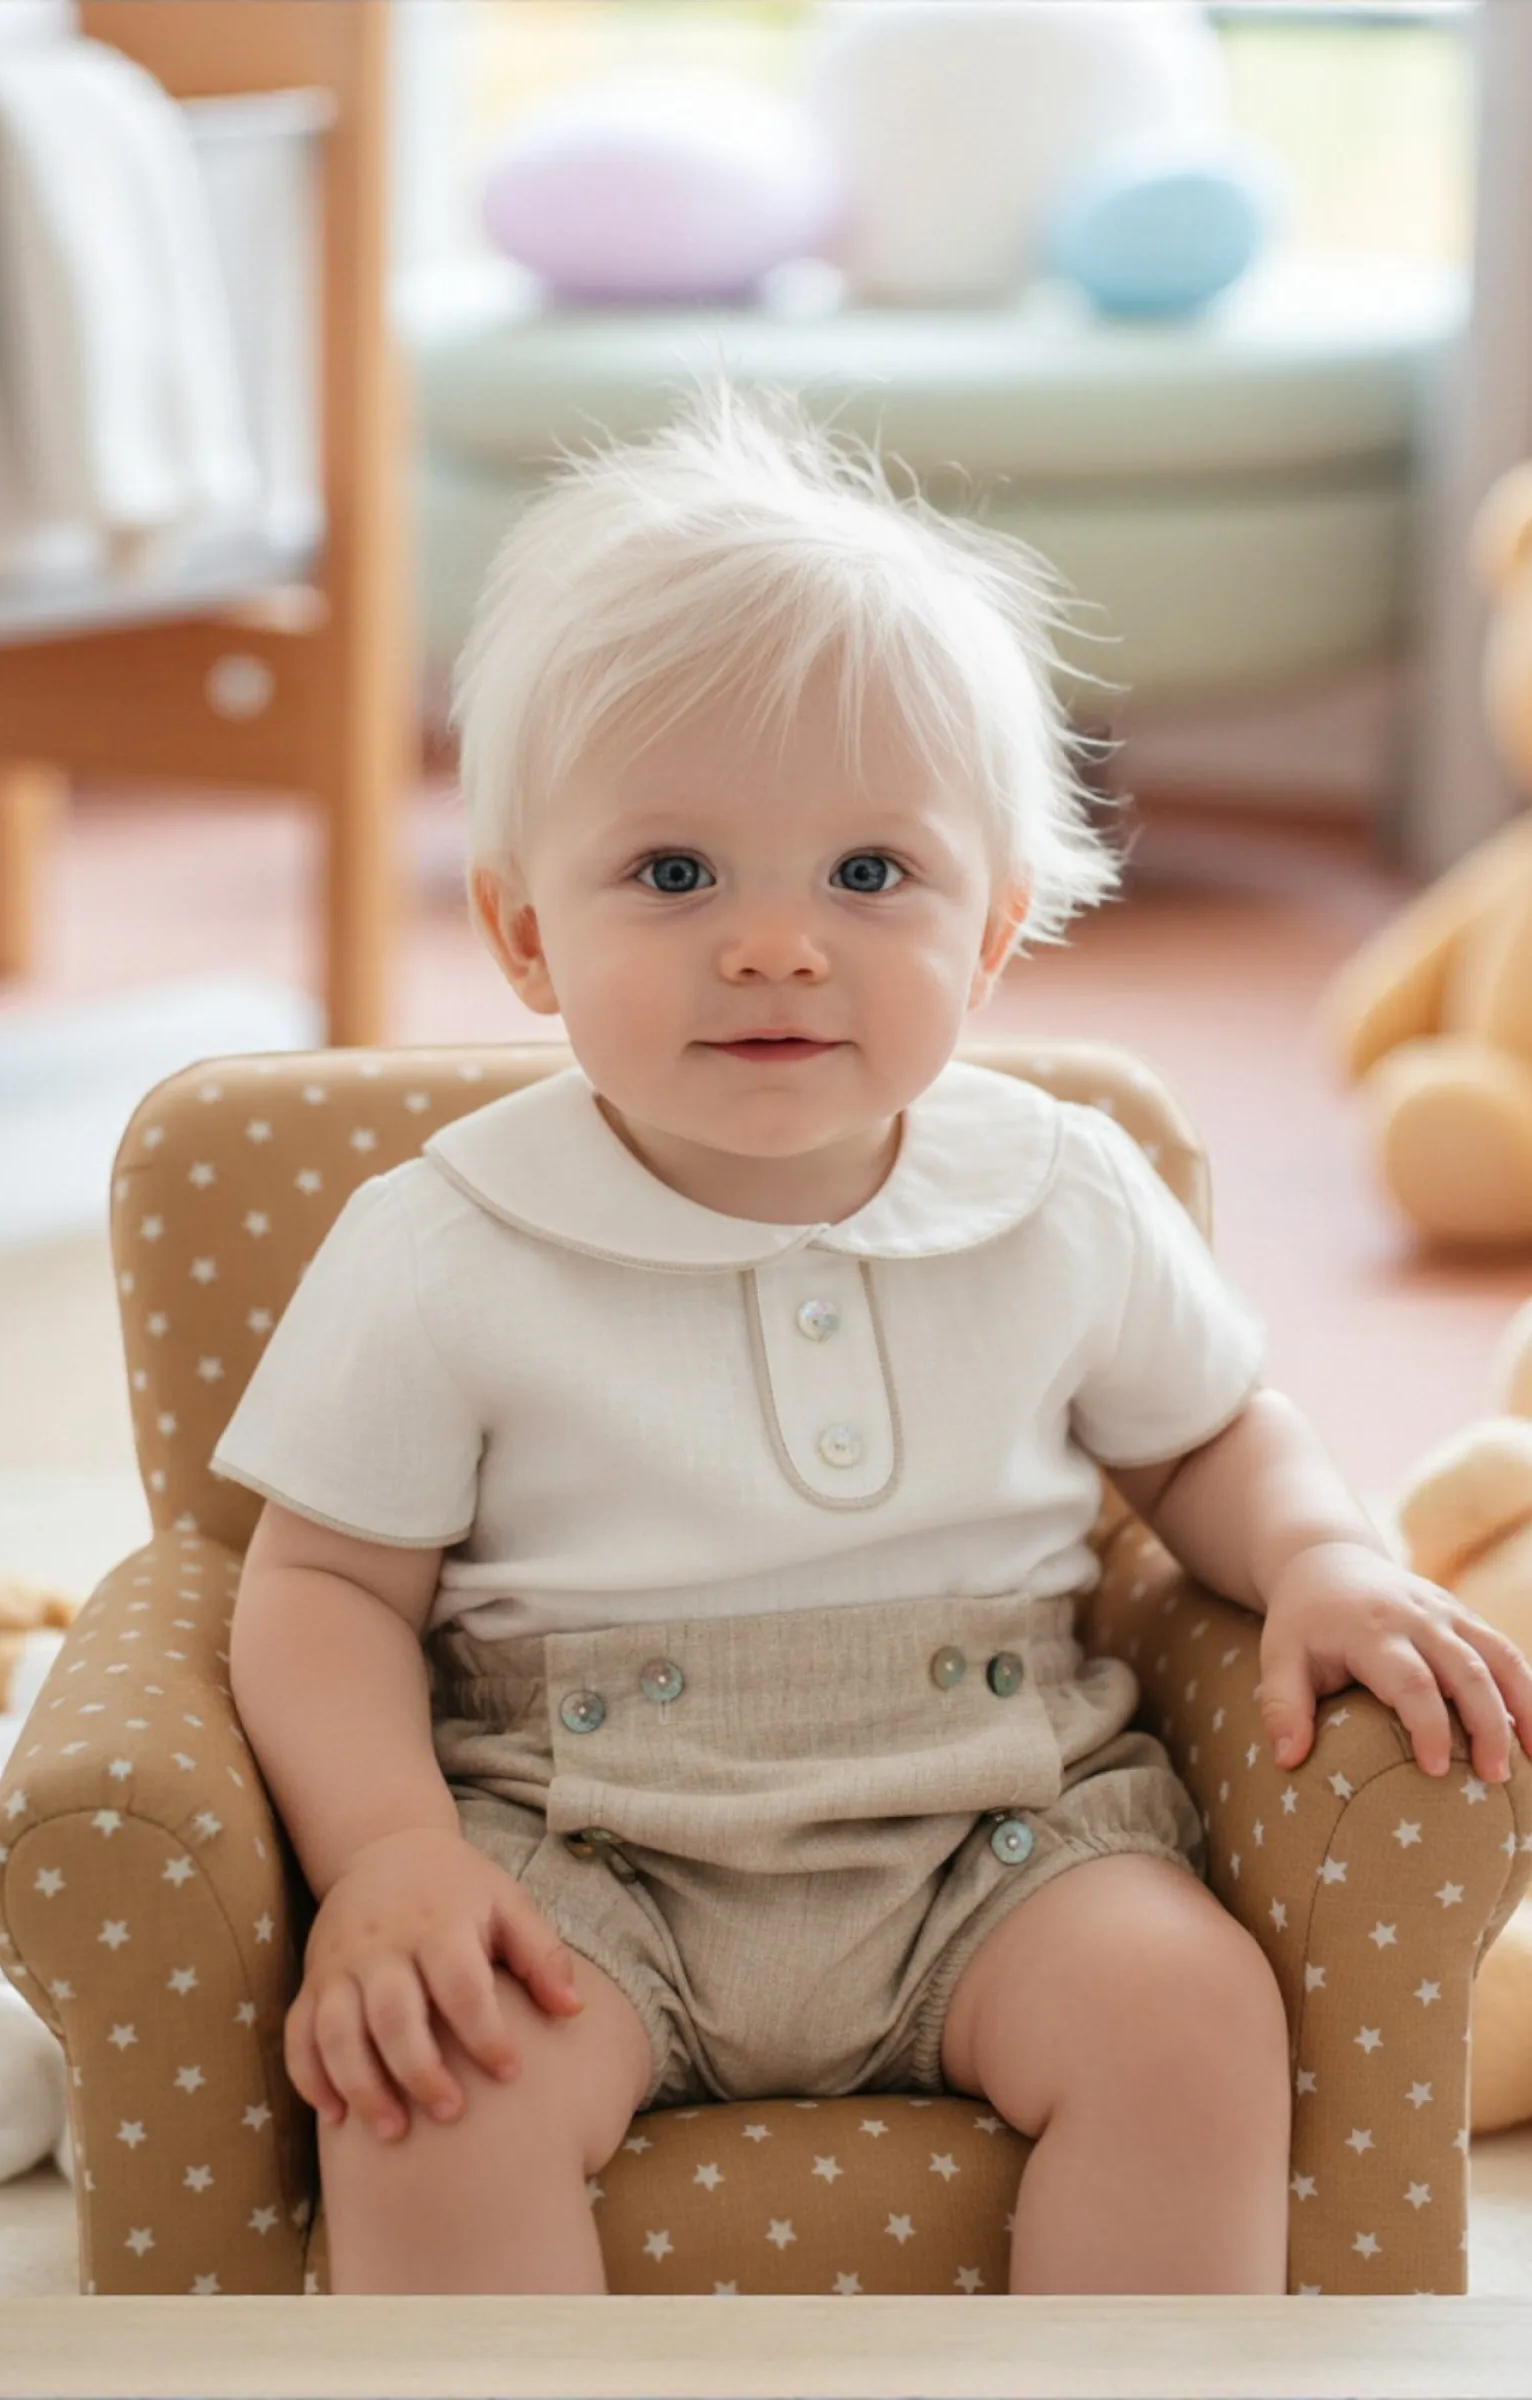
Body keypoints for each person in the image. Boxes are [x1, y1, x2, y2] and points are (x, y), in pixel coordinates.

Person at [217, 373, 1532, 2299]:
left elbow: (1208, 1433)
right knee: (437, 2087)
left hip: (998, 1836)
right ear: (523, 938)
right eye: (674, 876)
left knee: (1191, 2021)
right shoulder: (447, 1243)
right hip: (586, 1852)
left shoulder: (1058, 1190)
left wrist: (1323, 1555)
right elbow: (316, 1588)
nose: (774, 945)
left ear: (992, 933)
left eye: (868, 875)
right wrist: (393, 1854)